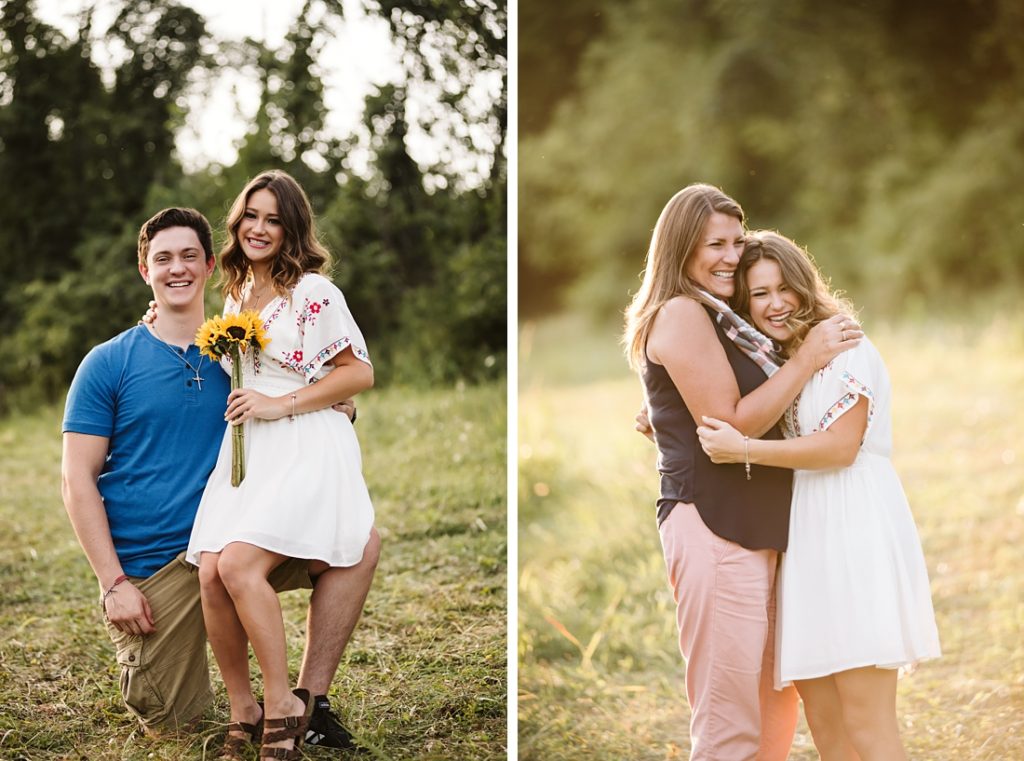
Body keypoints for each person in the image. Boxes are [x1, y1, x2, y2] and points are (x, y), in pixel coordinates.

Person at [60, 205, 378, 749]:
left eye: (189, 256)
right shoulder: (107, 363)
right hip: (153, 571)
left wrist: (330, 409)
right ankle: (243, 704)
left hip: (232, 540)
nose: (176, 268)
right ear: (145, 270)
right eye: (163, 259)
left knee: (360, 544)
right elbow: (76, 481)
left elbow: (310, 387)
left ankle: (307, 702)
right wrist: (113, 584)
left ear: (210, 265)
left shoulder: (237, 351)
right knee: (175, 722)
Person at [622, 183, 862, 760]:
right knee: (730, 723)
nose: (732, 255)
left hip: (763, 528)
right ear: (681, 247)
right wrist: (808, 360)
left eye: (737, 239)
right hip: (714, 525)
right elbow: (733, 422)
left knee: (773, 713)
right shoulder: (681, 311)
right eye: (715, 244)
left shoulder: (724, 318)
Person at [696, 230, 941, 761]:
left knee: (866, 721)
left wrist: (744, 450)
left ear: (806, 286)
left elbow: (840, 447)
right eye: (759, 294)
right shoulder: (780, 362)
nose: (776, 304)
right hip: (806, 542)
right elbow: (727, 404)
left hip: (854, 531)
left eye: (785, 288)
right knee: (826, 724)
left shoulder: (844, 345)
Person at [183, 169, 375, 760]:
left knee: (240, 566)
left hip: (302, 440)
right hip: (250, 450)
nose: (259, 229)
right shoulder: (236, 294)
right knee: (211, 572)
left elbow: (358, 373)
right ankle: (244, 708)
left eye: (274, 219)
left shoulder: (313, 292)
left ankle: (285, 701)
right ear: (237, 221)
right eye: (251, 216)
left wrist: (279, 403)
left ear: (292, 229)